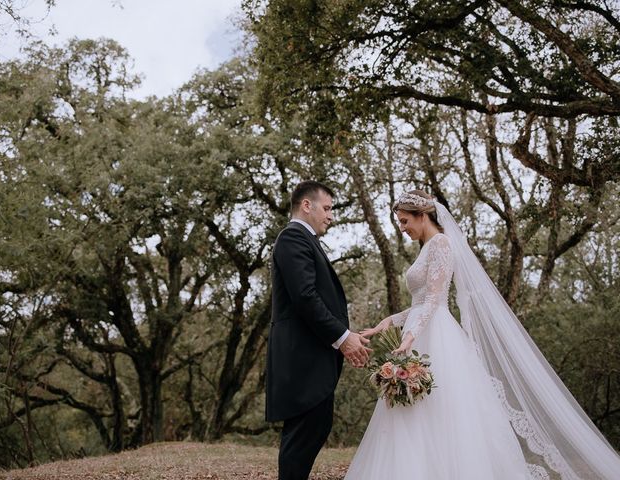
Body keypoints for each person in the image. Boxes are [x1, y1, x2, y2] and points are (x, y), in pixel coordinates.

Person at [345, 190, 620, 480]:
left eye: (404, 221)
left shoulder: (440, 244)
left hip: (434, 338)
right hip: (420, 331)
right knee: (413, 410)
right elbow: (420, 303)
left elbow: (435, 300)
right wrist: (388, 322)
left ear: (422, 215)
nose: (402, 227)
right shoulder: (426, 246)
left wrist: (410, 337)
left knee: (442, 408)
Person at [265, 180, 371, 480]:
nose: (331, 216)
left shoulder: (305, 240)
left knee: (316, 427)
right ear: (306, 205)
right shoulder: (292, 238)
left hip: (311, 357)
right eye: (327, 208)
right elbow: (305, 297)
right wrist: (342, 337)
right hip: (301, 360)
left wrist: (347, 336)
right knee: (302, 437)